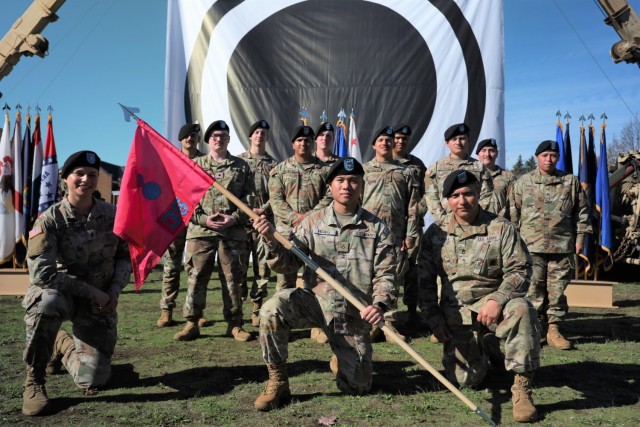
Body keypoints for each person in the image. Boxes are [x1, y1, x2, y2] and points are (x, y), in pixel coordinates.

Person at [252, 157, 397, 411]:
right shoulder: (312, 222)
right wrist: (269, 239)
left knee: (358, 387)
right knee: (271, 310)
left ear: (362, 185)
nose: (346, 186)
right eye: (340, 180)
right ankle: (278, 381)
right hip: (315, 302)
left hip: (352, 311)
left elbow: (386, 274)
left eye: (353, 181)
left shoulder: (377, 228)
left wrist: (380, 305)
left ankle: (341, 354)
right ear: (330, 185)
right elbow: (287, 264)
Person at [419, 170, 541, 423]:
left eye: (468, 194)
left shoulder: (501, 227)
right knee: (464, 381)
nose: (462, 201)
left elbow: (520, 270)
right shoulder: (435, 234)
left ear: (478, 195)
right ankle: (488, 347)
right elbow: (425, 283)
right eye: (455, 196)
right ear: (447, 201)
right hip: (458, 315)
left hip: (496, 308)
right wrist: (435, 322)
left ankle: (522, 387)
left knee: (522, 309)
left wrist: (498, 299)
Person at [21, 151, 131, 416]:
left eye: (92, 175)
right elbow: (42, 274)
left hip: (100, 302)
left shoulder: (113, 215)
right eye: (78, 174)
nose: (85, 180)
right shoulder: (50, 219)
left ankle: (62, 344)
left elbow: (125, 258)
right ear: (65, 179)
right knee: (46, 301)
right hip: (65, 294)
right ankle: (34, 381)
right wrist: (93, 291)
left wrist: (114, 291)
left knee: (93, 380)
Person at [173, 120, 255, 343]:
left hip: (232, 232)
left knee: (233, 279)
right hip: (201, 231)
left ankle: (235, 324)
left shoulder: (242, 166)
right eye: (215, 136)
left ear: (229, 139)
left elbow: (250, 199)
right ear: (208, 140)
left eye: (223, 135)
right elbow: (184, 200)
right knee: (196, 277)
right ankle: (192, 322)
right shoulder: (194, 165)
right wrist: (203, 219)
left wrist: (234, 218)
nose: (219, 139)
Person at [509, 140, 591, 350]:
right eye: (545, 155)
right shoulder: (523, 182)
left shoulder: (570, 182)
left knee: (556, 291)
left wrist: (580, 240)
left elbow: (581, 214)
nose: (549, 159)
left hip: (561, 247)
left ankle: (554, 329)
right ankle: (534, 329)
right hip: (531, 247)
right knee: (533, 290)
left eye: (553, 156)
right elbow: (513, 214)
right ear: (537, 157)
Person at [268, 124, 333, 343]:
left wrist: (310, 218)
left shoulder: (325, 170)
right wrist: (296, 218)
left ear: (312, 143)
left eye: (307, 141)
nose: (303, 144)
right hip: (287, 234)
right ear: (293, 144)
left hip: (317, 233)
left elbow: (329, 198)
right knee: (284, 280)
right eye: (299, 141)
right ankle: (281, 324)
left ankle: (317, 325)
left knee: (314, 279)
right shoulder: (280, 169)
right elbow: (276, 201)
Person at [363, 125, 420, 343]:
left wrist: (410, 235)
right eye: (381, 140)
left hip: (395, 234)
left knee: (392, 277)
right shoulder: (364, 170)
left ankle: (390, 323)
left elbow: (413, 207)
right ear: (374, 145)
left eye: (388, 140)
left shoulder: (406, 171)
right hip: (367, 233)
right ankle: (371, 322)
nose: (385, 143)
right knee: (368, 276)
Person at [157, 123, 206, 328]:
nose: (190, 139)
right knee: (171, 266)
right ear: (180, 139)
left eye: (193, 136)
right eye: (186, 136)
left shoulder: (205, 162)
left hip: (198, 220)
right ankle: (166, 310)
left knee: (195, 268)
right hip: (174, 218)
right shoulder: (171, 160)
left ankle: (196, 311)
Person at [238, 120, 278, 327]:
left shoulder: (274, 165)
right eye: (256, 132)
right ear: (250, 136)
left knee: (263, 270)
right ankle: (238, 309)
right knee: (240, 269)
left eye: (263, 133)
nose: (260, 136)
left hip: (264, 223)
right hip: (242, 224)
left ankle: (256, 307)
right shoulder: (238, 162)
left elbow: (278, 193)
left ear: (267, 137)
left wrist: (266, 208)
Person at [424, 123, 496, 224]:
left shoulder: (479, 167)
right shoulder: (435, 168)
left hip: (475, 222)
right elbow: (431, 197)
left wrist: (474, 214)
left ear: (468, 141)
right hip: (447, 223)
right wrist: (443, 219)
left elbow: (488, 192)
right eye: (454, 139)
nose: (458, 142)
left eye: (462, 138)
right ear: (447, 143)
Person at [393, 124, 428, 328]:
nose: (400, 142)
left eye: (404, 139)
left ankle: (411, 312)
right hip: (390, 227)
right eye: (397, 138)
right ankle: (388, 313)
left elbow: (426, 195)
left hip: (413, 226)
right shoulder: (383, 163)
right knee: (391, 270)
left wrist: (416, 212)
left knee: (413, 271)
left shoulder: (417, 165)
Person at [475, 138, 516, 218]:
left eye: (491, 150)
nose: (487, 154)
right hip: (475, 224)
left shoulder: (508, 177)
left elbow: (513, 204)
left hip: (500, 225)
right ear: (477, 154)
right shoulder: (470, 175)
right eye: (483, 150)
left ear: (497, 154)